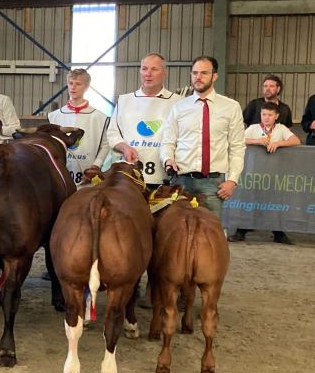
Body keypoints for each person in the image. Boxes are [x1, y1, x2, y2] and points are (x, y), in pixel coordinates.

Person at [160, 56, 246, 221]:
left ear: (214, 76)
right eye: (195, 73)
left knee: (210, 235)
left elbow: (237, 147)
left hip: (213, 185)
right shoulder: (179, 107)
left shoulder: (231, 107)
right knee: (177, 233)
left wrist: (232, 180)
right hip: (181, 181)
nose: (198, 77)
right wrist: (167, 159)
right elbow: (168, 141)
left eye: (204, 73)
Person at [107, 53, 183, 187]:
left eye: (154, 69)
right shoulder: (124, 100)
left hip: (166, 180)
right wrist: (124, 148)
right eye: (144, 69)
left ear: (164, 73)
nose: (148, 74)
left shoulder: (179, 102)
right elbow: (113, 134)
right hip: (129, 179)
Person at [229, 101, 300, 245]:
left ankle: (278, 233)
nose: (266, 117)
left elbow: (296, 140)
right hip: (254, 173)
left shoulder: (281, 129)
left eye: (270, 115)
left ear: (276, 116)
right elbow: (239, 139)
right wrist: (258, 141)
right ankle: (241, 231)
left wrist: (278, 143)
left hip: (275, 173)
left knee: (275, 202)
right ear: (260, 115)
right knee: (249, 201)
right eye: (264, 114)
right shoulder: (254, 128)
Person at [47, 68, 109, 185]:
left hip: (88, 178)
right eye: (71, 83)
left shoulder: (100, 117)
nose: (73, 87)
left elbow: (105, 145)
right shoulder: (54, 116)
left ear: (87, 87)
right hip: (61, 178)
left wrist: (95, 166)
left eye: (78, 84)